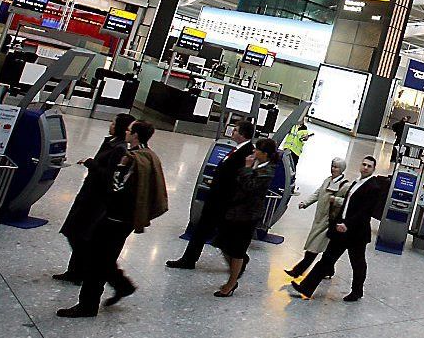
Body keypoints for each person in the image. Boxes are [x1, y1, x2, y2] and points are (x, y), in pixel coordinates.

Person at [57, 121, 168, 317]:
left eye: (129, 130)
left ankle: (88, 305)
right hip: (126, 219)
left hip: (115, 217)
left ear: (135, 135)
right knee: (104, 259)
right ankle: (121, 286)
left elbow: (116, 187)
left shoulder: (131, 159)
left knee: (95, 260)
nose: (125, 132)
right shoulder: (150, 156)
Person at [291, 156, 388, 302]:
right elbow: (347, 205)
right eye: (364, 164)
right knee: (327, 258)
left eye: (369, 166)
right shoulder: (356, 182)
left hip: (356, 233)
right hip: (342, 230)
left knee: (357, 262)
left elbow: (364, 211)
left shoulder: (373, 187)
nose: (365, 168)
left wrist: (347, 224)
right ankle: (306, 287)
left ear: (373, 169)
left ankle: (357, 291)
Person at [55, 112, 134, 284]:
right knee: (75, 232)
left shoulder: (119, 148)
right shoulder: (110, 143)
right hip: (89, 192)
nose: (110, 125)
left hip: (97, 199)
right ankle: (74, 270)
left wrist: (92, 164)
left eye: (114, 123)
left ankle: (84, 272)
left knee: (80, 234)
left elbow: (110, 175)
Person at [168, 120, 255, 270]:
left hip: (223, 201)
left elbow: (238, 178)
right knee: (203, 230)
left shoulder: (247, 152)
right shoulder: (237, 149)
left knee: (220, 234)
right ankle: (189, 260)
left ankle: (240, 259)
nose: (232, 132)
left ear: (243, 134)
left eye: (235, 130)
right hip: (216, 198)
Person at [213, 137, 278, 296]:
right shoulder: (255, 163)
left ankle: (231, 283)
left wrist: (247, 168)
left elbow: (250, 186)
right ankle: (239, 264)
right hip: (235, 210)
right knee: (222, 242)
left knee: (237, 250)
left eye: (257, 150)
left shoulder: (268, 171)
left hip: (247, 216)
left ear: (265, 154)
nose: (254, 152)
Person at [286, 157, 351, 278]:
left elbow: (348, 202)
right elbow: (317, 193)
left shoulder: (345, 186)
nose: (333, 169)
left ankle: (298, 271)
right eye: (332, 166)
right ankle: (329, 270)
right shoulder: (327, 180)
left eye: (336, 167)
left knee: (314, 247)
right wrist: (305, 203)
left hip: (328, 221)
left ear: (341, 169)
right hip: (319, 219)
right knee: (323, 249)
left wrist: (335, 200)